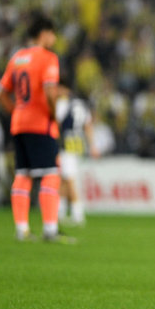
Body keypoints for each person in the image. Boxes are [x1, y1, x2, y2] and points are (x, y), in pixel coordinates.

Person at [0, 14, 71, 243]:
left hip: (19, 124)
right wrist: (53, 115)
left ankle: (22, 229)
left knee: (23, 175)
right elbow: (49, 91)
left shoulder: (17, 58)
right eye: (53, 34)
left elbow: (0, 94)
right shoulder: (48, 58)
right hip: (40, 124)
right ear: (44, 33)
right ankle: (50, 229)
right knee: (51, 174)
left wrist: (16, 111)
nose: (54, 39)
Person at [55, 89, 99, 225]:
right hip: (77, 144)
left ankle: (78, 214)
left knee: (69, 179)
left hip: (65, 143)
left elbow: (56, 122)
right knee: (64, 179)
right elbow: (88, 126)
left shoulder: (62, 103)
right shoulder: (83, 105)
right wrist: (92, 146)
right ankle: (60, 213)